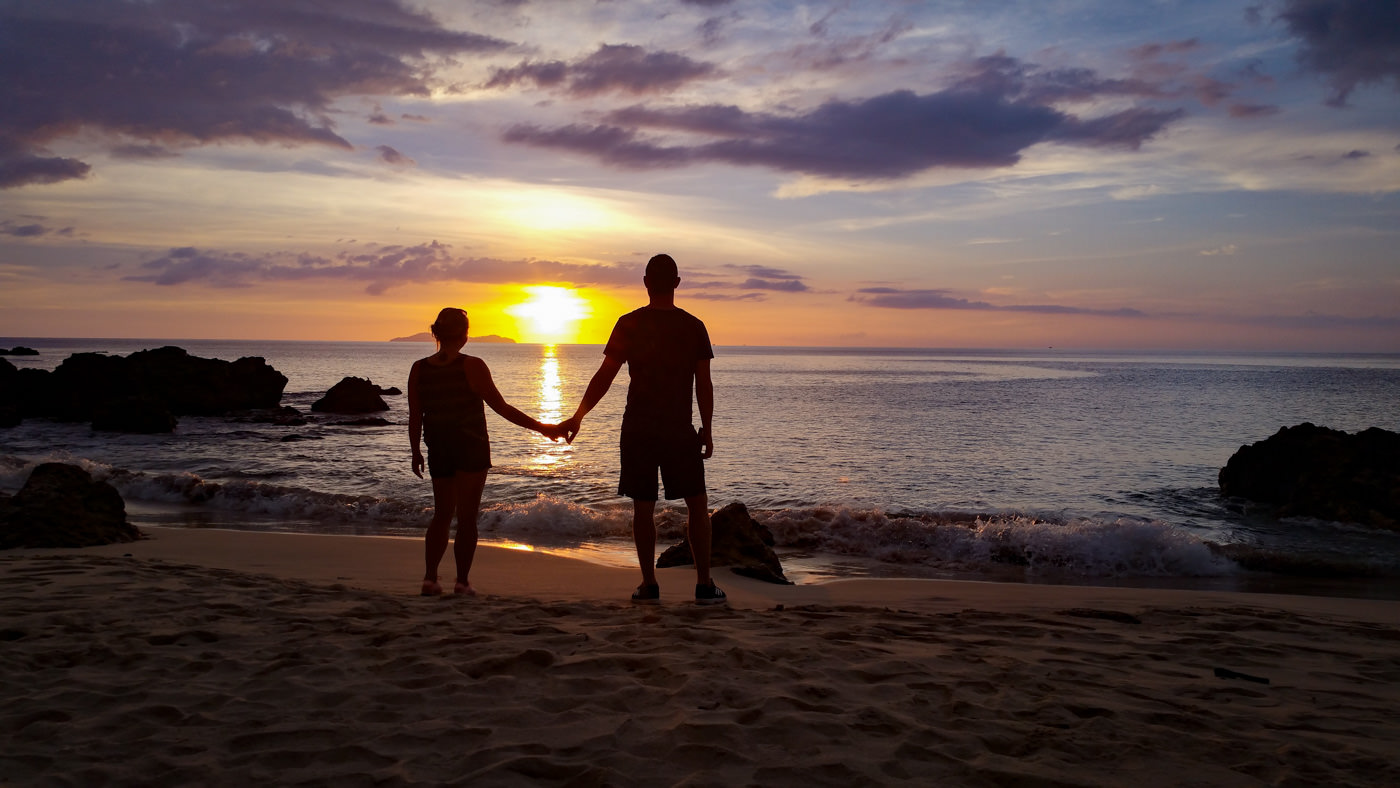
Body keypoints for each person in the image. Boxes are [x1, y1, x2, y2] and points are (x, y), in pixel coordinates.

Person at [561, 254, 725, 605]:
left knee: (643, 507)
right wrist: (707, 430)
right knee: (697, 503)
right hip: (678, 429)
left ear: (646, 282)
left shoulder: (629, 323)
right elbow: (704, 384)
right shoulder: (694, 326)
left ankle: (649, 584)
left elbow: (604, 376)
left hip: (638, 427)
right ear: (677, 283)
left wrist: (578, 416)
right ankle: (704, 584)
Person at [408, 307, 564, 597]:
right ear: (465, 334)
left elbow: (415, 415)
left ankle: (430, 579)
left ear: (436, 333)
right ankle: (462, 582)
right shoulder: (472, 365)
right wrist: (544, 428)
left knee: (442, 515)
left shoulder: (420, 368)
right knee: (467, 518)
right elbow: (501, 408)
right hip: (471, 446)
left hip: (437, 446)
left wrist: (415, 450)